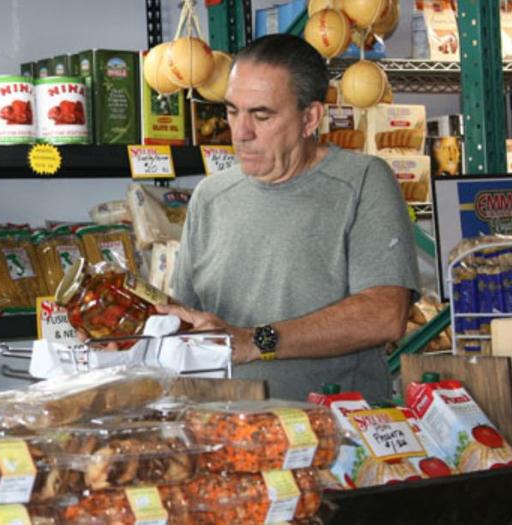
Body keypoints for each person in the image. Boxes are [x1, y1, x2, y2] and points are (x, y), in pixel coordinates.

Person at [157, 33, 419, 402]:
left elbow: (384, 315)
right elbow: (185, 320)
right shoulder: (209, 197)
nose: (241, 133)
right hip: (223, 426)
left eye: (261, 115)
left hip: (333, 427)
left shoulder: (362, 182)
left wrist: (255, 341)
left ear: (310, 117)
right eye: (232, 111)